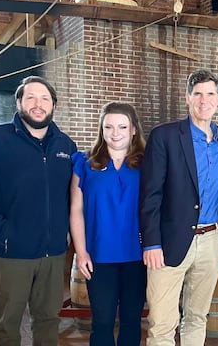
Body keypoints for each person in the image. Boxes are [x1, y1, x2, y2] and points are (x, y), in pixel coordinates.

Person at [0, 75, 77, 345]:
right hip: (10, 253)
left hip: (53, 254)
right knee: (6, 326)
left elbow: (71, 194)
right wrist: (2, 232)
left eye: (45, 98)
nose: (38, 104)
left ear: (53, 105)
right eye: (31, 97)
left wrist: (66, 230)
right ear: (19, 102)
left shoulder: (65, 146)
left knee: (48, 322)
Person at [139, 69, 218, 346]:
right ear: (187, 98)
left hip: (211, 240)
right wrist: (150, 243)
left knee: (197, 317)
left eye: (210, 94)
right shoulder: (165, 136)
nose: (203, 100)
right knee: (162, 324)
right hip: (169, 241)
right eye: (197, 94)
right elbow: (150, 194)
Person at [70, 102, 148, 346]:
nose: (115, 133)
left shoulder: (148, 163)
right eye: (109, 127)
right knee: (102, 321)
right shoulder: (84, 162)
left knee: (131, 321)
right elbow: (76, 209)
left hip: (137, 256)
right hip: (98, 257)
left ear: (134, 129)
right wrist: (81, 252)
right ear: (101, 130)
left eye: (122, 127)